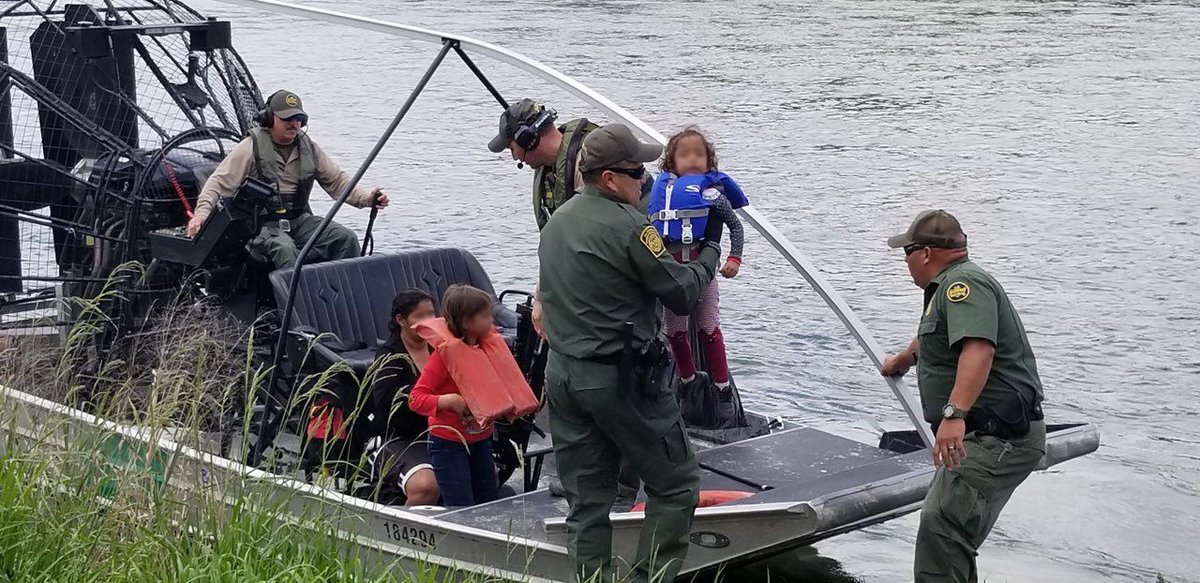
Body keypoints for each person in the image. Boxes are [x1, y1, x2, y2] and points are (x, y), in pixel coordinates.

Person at [538, 123, 724, 582]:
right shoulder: (632, 227)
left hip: (562, 376)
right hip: (619, 378)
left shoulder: (557, 220)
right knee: (677, 485)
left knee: (587, 502)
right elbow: (680, 293)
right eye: (635, 171)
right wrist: (711, 250)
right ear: (608, 178)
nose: (644, 179)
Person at [488, 98, 642, 506]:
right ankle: (589, 479)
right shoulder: (547, 174)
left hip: (612, 297)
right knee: (576, 390)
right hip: (575, 296)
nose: (512, 156)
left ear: (527, 138)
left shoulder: (590, 161)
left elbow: (619, 233)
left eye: (513, 147)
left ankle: (624, 487)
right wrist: (542, 298)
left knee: (620, 388)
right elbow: (554, 243)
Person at [879, 210, 1047, 583]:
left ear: (924, 252)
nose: (905, 262)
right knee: (948, 527)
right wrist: (903, 360)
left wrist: (954, 415)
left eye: (906, 252)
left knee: (944, 523)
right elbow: (936, 336)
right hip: (985, 431)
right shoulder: (949, 287)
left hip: (997, 434)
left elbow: (978, 349)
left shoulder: (963, 286)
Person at [187, 90, 389, 269]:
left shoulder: (309, 148)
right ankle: (295, 307)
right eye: (287, 119)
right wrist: (201, 214)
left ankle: (342, 298)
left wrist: (367, 198)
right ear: (268, 119)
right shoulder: (250, 147)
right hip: (261, 225)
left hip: (299, 221)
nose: (294, 124)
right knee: (285, 250)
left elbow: (338, 182)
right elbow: (218, 183)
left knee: (346, 239)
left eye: (298, 118)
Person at [651, 127, 747, 402]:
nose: (692, 159)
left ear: (709, 161)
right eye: (684, 155)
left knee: (709, 329)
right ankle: (688, 380)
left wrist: (734, 259)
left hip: (704, 277)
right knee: (675, 333)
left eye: (699, 154)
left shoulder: (713, 196)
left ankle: (721, 387)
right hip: (674, 276)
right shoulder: (661, 193)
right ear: (671, 163)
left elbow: (735, 227)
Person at [407, 286, 505, 507]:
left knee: (488, 502)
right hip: (449, 444)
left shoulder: (487, 349)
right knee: (460, 505)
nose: (491, 320)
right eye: (484, 316)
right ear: (466, 323)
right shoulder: (444, 356)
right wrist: (447, 401)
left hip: (482, 440)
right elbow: (415, 399)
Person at [362, 289, 440, 506]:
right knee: (426, 487)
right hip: (398, 437)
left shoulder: (440, 347)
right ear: (401, 320)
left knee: (486, 472)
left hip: (441, 432)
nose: (429, 321)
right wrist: (435, 400)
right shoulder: (389, 355)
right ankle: (404, 531)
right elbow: (387, 405)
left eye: (431, 314)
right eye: (420, 316)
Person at [487, 98, 599, 230]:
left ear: (528, 139)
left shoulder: (587, 166)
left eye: (512, 149)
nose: (515, 157)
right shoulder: (551, 169)